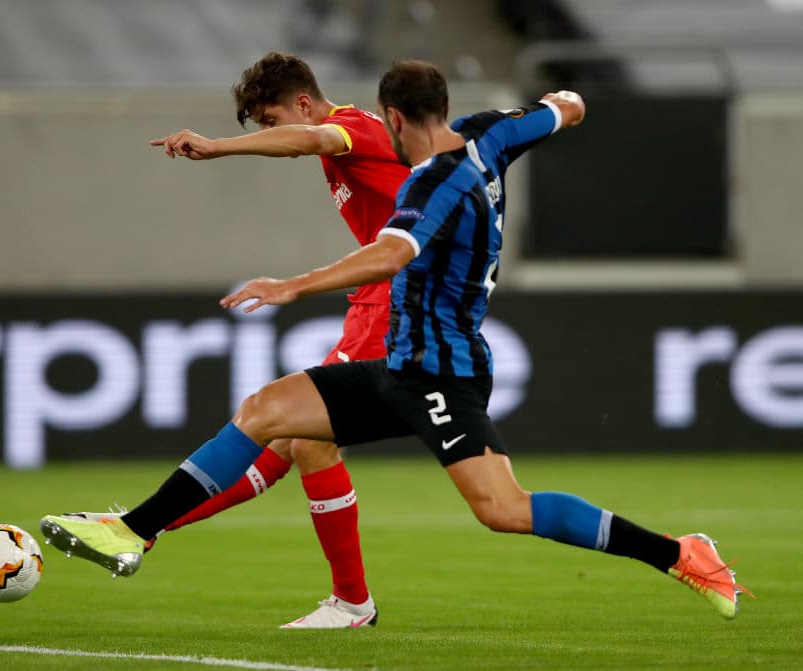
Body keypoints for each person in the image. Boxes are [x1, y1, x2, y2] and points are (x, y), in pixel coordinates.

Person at [41, 60, 752, 622]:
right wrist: (562, 106)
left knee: (503, 510)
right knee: (266, 412)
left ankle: (680, 552)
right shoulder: (488, 134)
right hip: (400, 364)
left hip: (440, 372)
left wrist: (291, 286)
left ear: (391, 117)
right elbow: (564, 107)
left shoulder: (432, 183)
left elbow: (390, 253)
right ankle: (135, 528)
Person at [69, 52, 409, 629]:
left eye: (272, 120)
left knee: (296, 433)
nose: (273, 132)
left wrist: (219, 146)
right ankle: (145, 528)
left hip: (394, 307)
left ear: (303, 103)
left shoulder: (350, 129)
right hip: (377, 305)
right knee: (292, 439)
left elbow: (311, 139)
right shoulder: (353, 137)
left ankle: (141, 529)